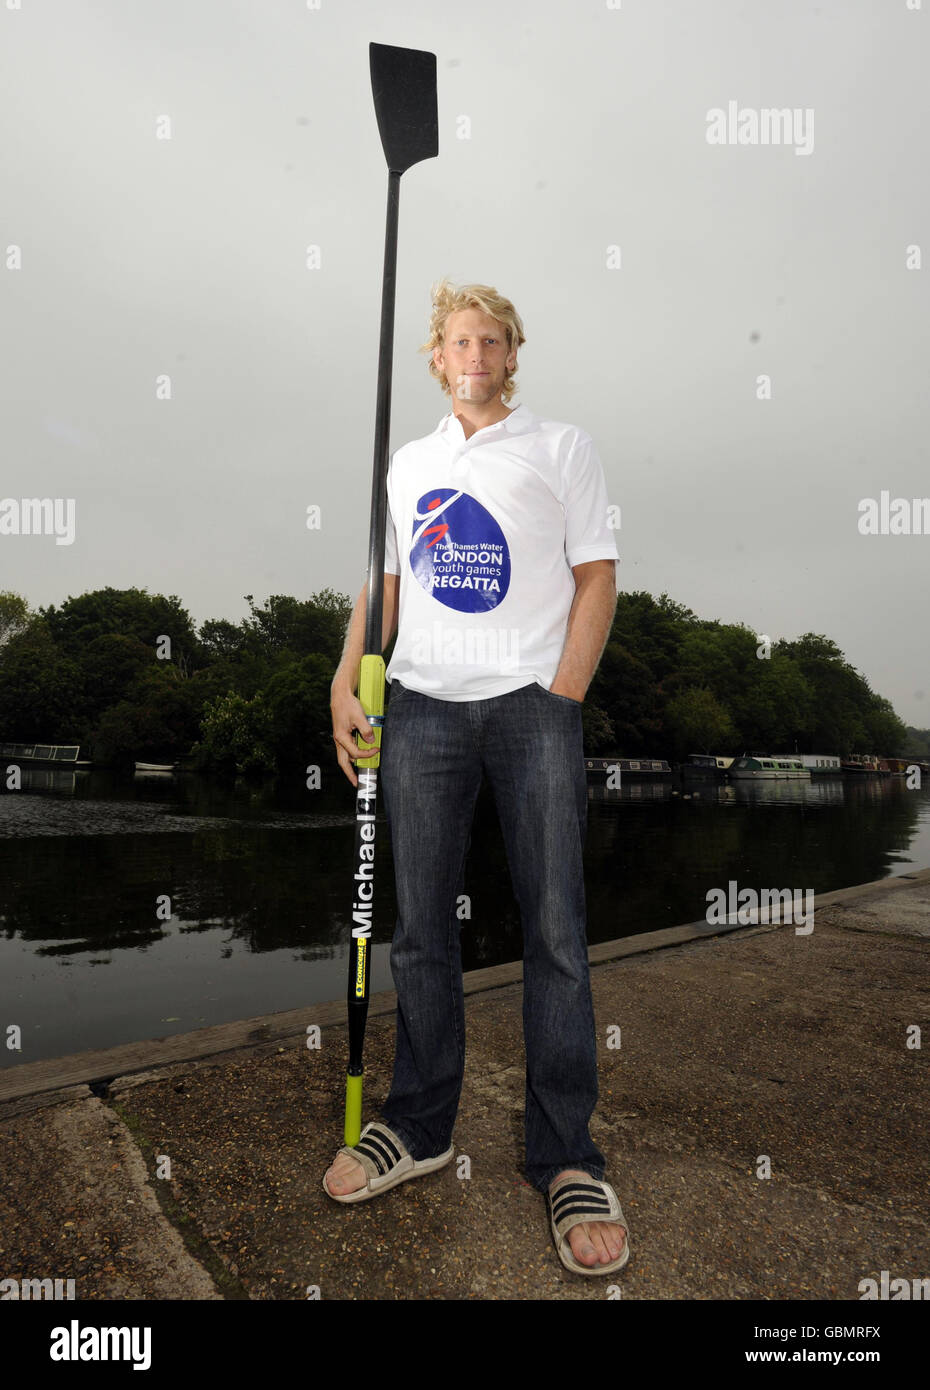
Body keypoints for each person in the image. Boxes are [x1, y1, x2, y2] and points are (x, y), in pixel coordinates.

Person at [324, 279, 629, 1276]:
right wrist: (345, 676)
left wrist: (561, 694)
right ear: (436, 353)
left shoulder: (560, 447)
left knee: (553, 930)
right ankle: (417, 1125)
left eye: (492, 339)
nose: (476, 352)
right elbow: (388, 583)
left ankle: (564, 1154)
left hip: (530, 705)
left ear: (511, 354)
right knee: (419, 933)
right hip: (421, 708)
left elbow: (597, 574)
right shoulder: (410, 463)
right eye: (460, 337)